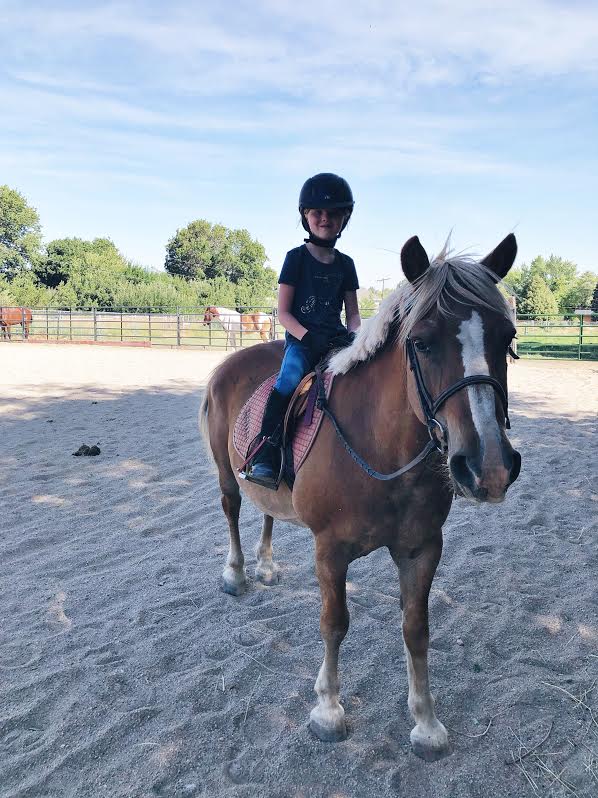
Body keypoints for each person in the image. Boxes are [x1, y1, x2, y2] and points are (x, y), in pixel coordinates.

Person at [245, 172, 361, 489]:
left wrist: (354, 338)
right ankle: (265, 452)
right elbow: (283, 313)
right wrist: (309, 337)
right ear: (305, 216)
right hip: (303, 340)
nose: (325, 218)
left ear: (344, 218)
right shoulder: (295, 259)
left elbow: (352, 314)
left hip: (336, 340)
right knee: (289, 378)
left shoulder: (347, 264)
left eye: (333, 213)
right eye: (317, 212)